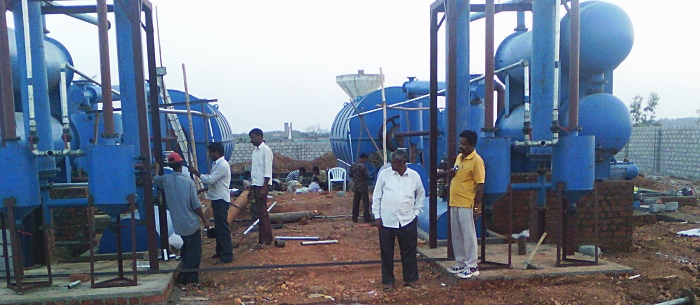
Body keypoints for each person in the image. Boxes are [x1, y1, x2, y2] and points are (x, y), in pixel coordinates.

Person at [372, 150, 425, 291]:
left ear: (403, 163)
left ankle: (411, 279)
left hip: (407, 220)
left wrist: (416, 213)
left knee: (409, 252)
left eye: (395, 162)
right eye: (392, 162)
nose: (392, 165)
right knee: (387, 252)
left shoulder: (414, 176)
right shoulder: (384, 174)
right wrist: (377, 216)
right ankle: (388, 281)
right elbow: (377, 195)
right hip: (387, 221)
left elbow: (421, 194)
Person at [154, 152, 210, 285]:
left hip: (178, 223)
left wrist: (156, 166)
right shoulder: (188, 181)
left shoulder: (165, 180)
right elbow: (196, 205)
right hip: (191, 222)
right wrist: (205, 221)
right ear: (181, 164)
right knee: (194, 252)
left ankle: (183, 276)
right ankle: (189, 278)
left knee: (186, 249)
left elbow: (155, 178)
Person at [447, 130, 485, 279]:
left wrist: (477, 206)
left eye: (464, 144)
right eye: (460, 143)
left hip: (466, 202)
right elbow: (457, 173)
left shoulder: (476, 161)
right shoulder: (459, 158)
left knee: (468, 235)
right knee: (456, 235)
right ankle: (461, 262)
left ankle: (472, 265)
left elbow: (480, 184)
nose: (461, 146)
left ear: (472, 145)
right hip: (454, 201)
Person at [189, 142, 233, 264]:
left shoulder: (222, 165)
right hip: (217, 198)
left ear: (217, 152)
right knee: (219, 227)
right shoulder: (217, 164)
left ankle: (227, 255)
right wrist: (202, 190)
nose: (209, 155)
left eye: (211, 152)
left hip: (221, 200)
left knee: (222, 228)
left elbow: (210, 180)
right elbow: (215, 183)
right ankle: (220, 251)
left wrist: (195, 172)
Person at [248, 128, 274, 249]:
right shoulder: (255, 152)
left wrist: (264, 188)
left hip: (262, 186)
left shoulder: (265, 150)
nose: (251, 140)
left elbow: (268, 171)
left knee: (262, 214)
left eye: (253, 137)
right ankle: (268, 238)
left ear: (260, 136)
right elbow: (256, 171)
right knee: (261, 213)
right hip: (256, 185)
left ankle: (262, 240)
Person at [350, 154, 371, 223]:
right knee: (365, 203)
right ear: (364, 158)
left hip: (356, 186)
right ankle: (366, 218)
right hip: (363, 186)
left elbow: (350, 175)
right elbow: (367, 176)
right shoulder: (363, 166)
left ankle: (354, 218)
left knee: (356, 202)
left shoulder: (353, 165)